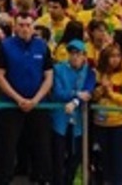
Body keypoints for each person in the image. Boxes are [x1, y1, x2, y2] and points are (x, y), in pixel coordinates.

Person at [0, 9, 53, 185]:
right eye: (21, 25)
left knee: (41, 145)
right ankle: (4, 179)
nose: (25, 29)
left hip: (38, 104)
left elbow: (49, 76)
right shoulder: (6, 46)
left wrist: (36, 100)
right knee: (8, 146)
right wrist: (18, 99)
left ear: (33, 27)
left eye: (28, 25)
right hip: (11, 104)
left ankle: (42, 179)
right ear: (15, 27)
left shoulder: (42, 46)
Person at [49, 40, 96, 185]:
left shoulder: (89, 72)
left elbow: (88, 92)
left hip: (79, 121)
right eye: (72, 53)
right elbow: (58, 93)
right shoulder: (58, 69)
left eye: (78, 53)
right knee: (57, 156)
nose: (75, 56)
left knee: (75, 156)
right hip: (60, 119)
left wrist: (75, 101)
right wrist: (76, 94)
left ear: (84, 56)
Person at [91, 43, 122, 185]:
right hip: (100, 123)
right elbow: (92, 97)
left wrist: (111, 94)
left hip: (118, 124)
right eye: (112, 56)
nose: (115, 59)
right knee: (103, 157)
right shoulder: (97, 75)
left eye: (118, 56)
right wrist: (99, 91)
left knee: (119, 158)